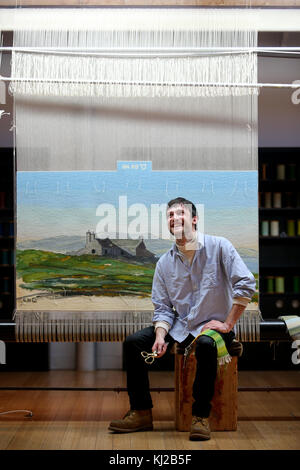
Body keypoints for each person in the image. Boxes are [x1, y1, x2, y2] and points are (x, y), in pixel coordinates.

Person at [108, 197, 256, 440]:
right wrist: (160, 335)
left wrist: (228, 323)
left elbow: (246, 283)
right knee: (134, 342)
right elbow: (163, 308)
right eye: (170, 215)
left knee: (207, 345)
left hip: (214, 329)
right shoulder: (164, 264)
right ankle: (141, 412)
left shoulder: (220, 247)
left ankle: (200, 416)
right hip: (182, 328)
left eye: (180, 213)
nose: (174, 218)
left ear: (194, 219)